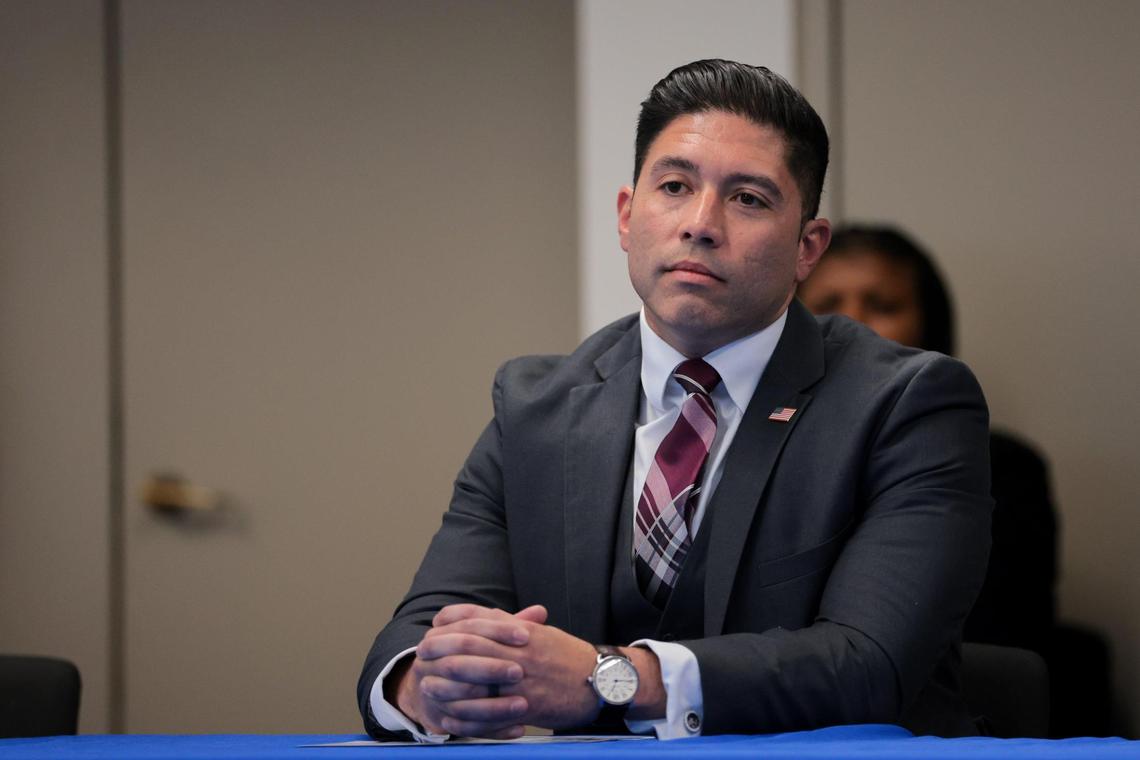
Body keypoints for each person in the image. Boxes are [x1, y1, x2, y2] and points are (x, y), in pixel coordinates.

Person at [358, 60, 992, 742]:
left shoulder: (907, 405)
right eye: (674, 186)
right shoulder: (533, 407)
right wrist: (426, 684)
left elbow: (869, 664)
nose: (701, 223)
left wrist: (612, 677)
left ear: (808, 247)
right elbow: (419, 629)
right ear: (629, 217)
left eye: (748, 198)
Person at [796, 225, 1056, 650]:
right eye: (827, 304)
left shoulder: (1004, 469)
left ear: (928, 325)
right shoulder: (750, 451)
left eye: (882, 304)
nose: (853, 322)